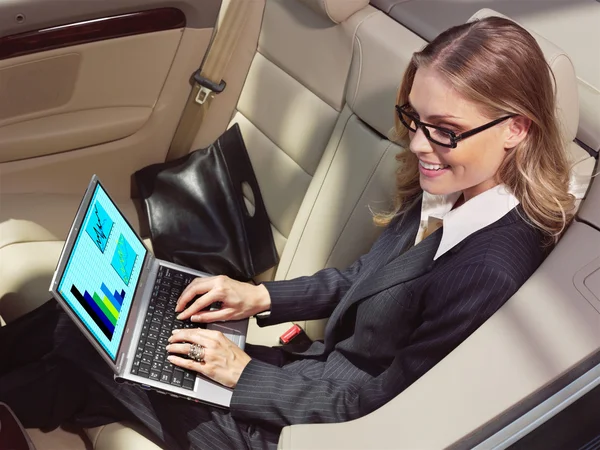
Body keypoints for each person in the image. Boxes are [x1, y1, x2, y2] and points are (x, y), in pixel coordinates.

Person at [0, 16, 575, 450]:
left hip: (306, 429)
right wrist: (260, 296)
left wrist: (243, 374)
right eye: (414, 120)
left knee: (100, 345)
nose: (420, 145)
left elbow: (383, 402)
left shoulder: (490, 269)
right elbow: (361, 279)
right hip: (304, 379)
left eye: (445, 130)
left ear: (516, 129)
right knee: (93, 322)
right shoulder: (457, 186)